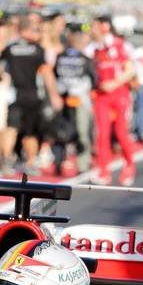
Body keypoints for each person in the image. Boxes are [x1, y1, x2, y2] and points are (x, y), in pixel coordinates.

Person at [0, 17, 62, 174]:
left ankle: (6, 161)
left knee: (11, 127)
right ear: (26, 31)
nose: (37, 33)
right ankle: (31, 163)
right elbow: (46, 73)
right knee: (30, 131)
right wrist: (54, 95)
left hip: (14, 94)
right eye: (35, 30)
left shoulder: (9, 48)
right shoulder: (38, 50)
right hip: (33, 95)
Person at [89, 14, 136, 186]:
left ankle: (130, 164)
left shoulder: (120, 45)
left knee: (121, 132)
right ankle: (104, 171)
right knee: (102, 133)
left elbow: (130, 71)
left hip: (120, 94)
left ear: (104, 26)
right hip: (102, 96)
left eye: (94, 26)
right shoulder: (94, 48)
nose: (91, 29)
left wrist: (114, 83)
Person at [52, 25, 96, 176]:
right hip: (79, 99)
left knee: (61, 132)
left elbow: (54, 76)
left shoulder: (60, 56)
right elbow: (94, 79)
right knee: (82, 132)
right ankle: (82, 164)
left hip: (62, 98)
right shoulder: (85, 59)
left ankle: (58, 163)